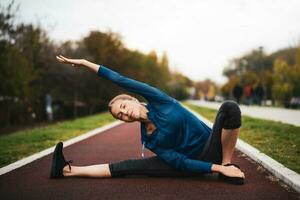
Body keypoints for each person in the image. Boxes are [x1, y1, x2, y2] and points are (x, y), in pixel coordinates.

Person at [50, 55, 245, 185]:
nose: (124, 114)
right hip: (192, 165)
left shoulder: (160, 101)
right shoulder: (148, 139)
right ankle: (66, 170)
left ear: (133, 99)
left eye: (124, 107)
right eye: (120, 116)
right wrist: (213, 168)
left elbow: (118, 78)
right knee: (129, 166)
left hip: (211, 148)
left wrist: (85, 63)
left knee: (229, 107)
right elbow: (179, 162)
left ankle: (228, 165)